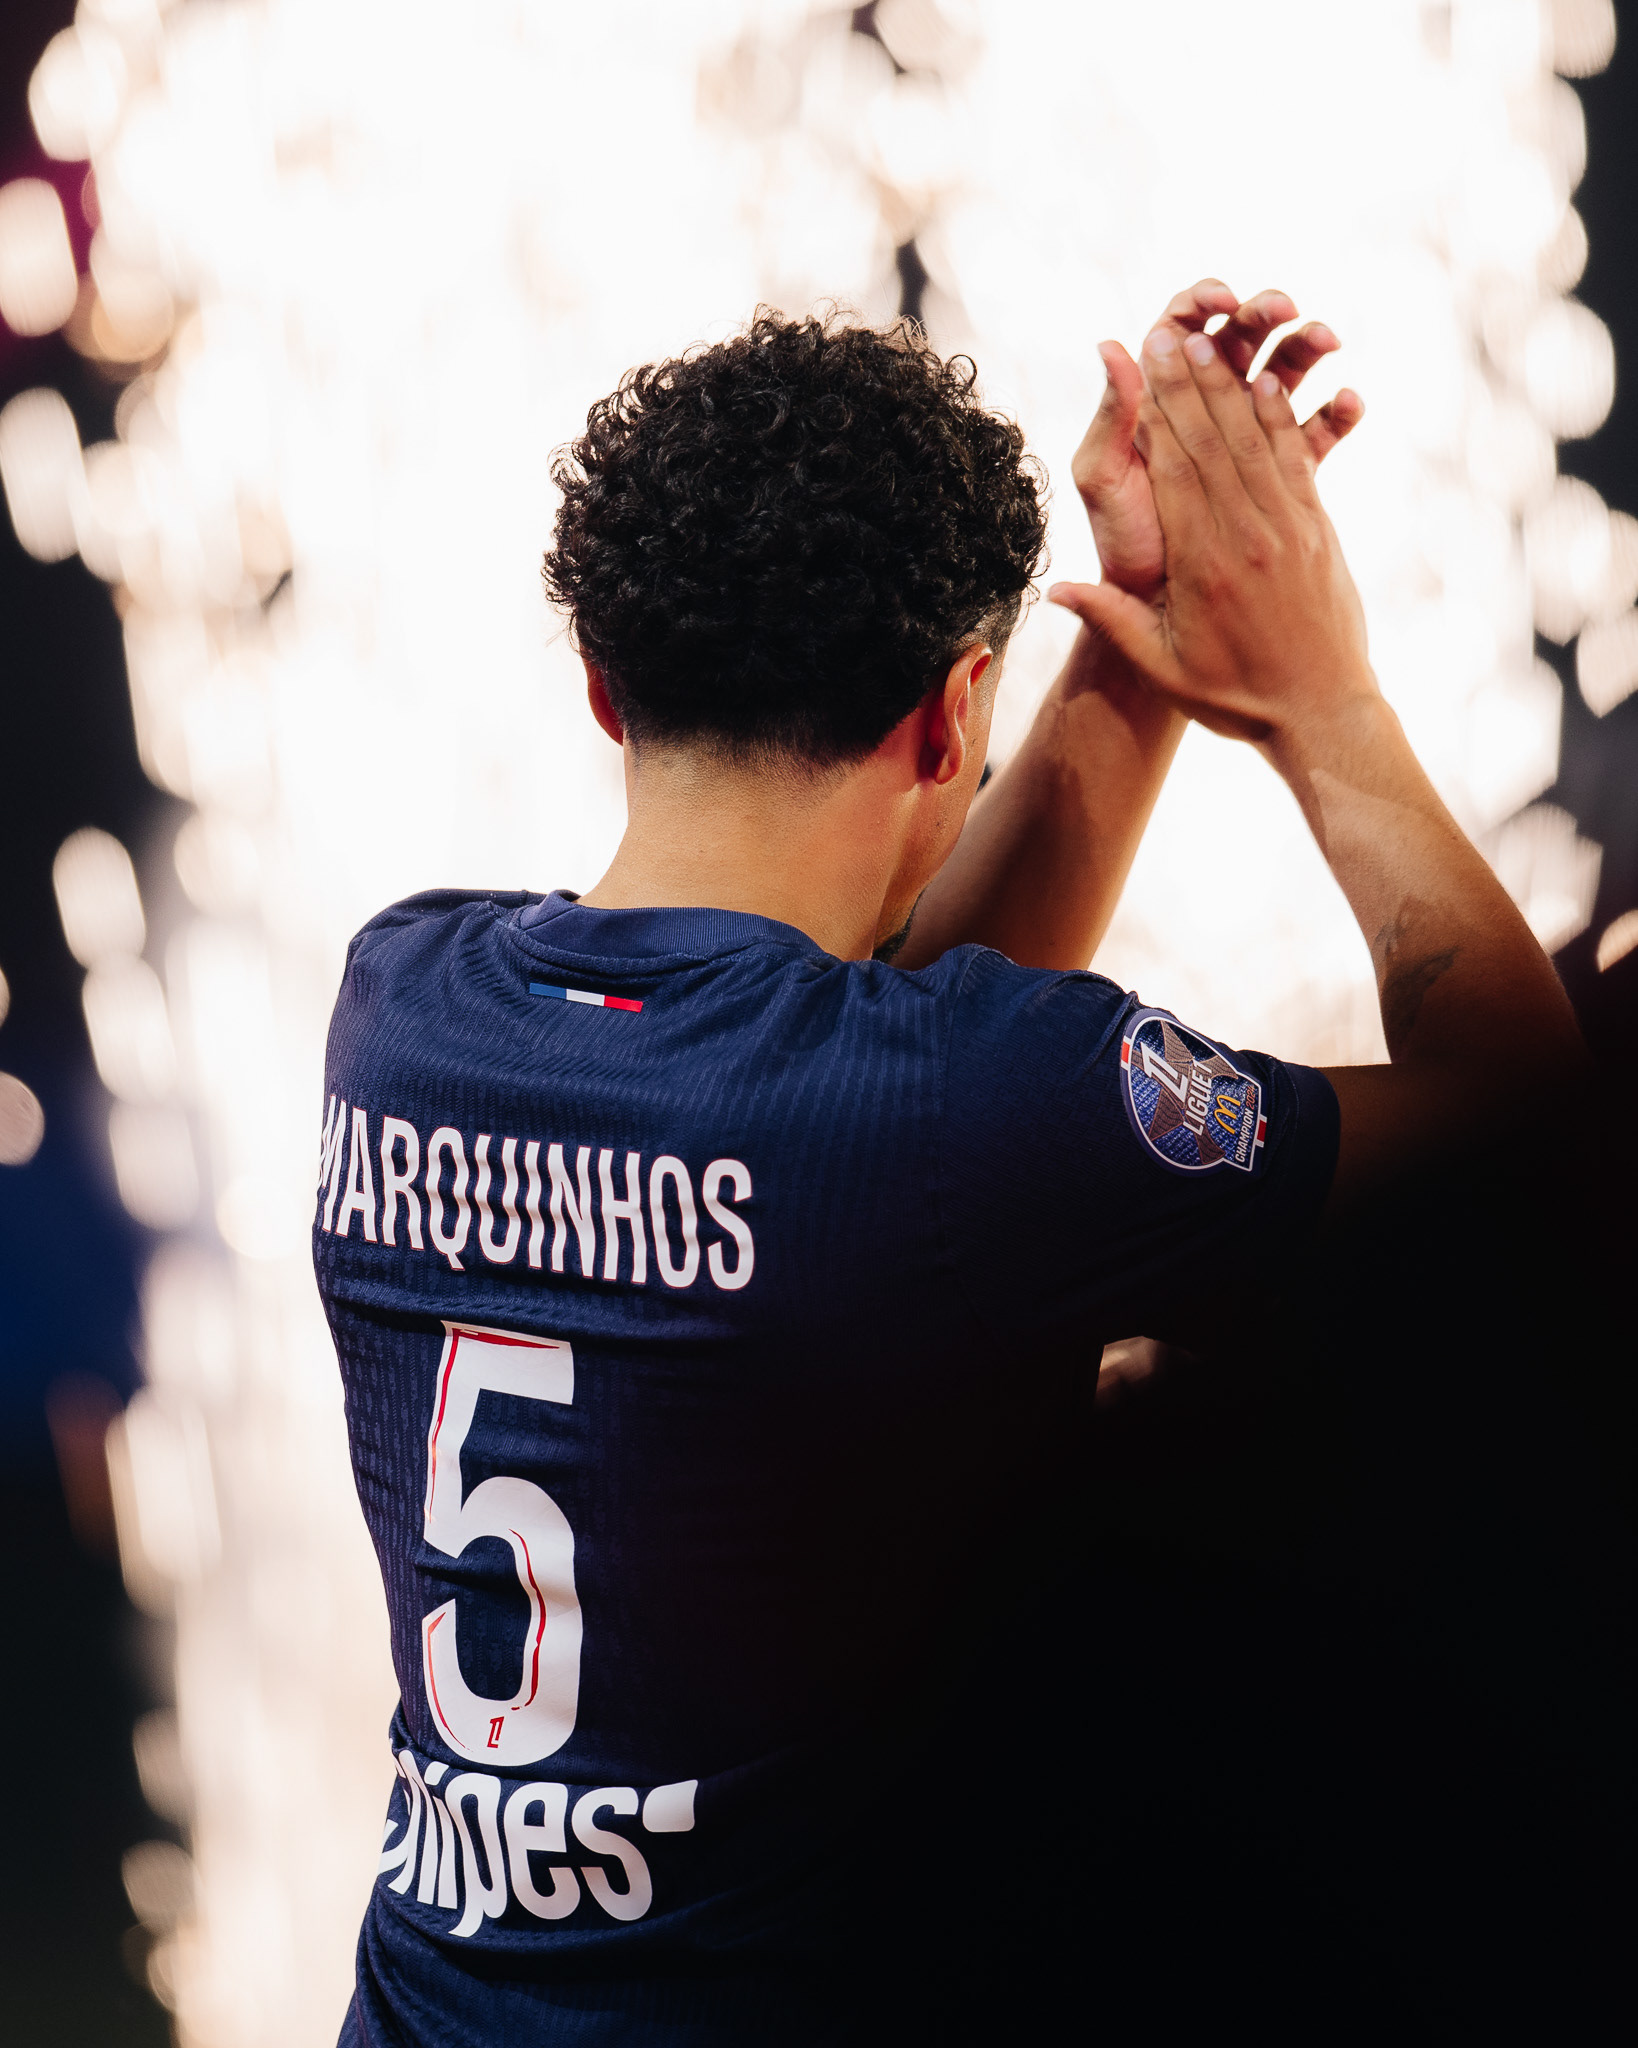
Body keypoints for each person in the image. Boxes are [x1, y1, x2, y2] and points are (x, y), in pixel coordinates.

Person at [313, 286, 1584, 2046]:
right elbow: (1515, 1132)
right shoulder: (973, 1110)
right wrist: (1324, 703)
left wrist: (1136, 642)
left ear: (603, 685)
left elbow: (851, 1068)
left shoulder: (402, 1001)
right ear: (952, 711)